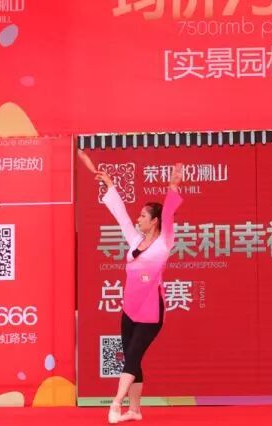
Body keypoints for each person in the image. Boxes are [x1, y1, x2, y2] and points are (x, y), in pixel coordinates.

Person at [79, 150, 184, 422]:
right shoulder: (136, 240)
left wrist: (173, 187)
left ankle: (116, 403)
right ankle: (135, 410)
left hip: (151, 313)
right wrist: (110, 185)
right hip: (129, 310)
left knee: (133, 356)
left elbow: (169, 214)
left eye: (143, 216)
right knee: (132, 359)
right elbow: (122, 216)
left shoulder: (164, 243)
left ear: (155, 221)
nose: (139, 219)